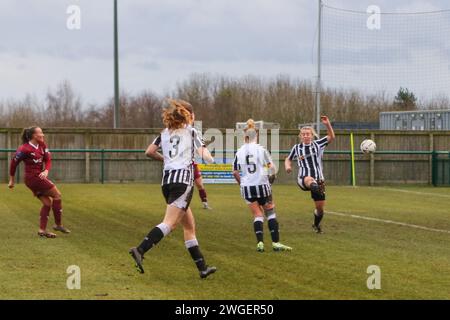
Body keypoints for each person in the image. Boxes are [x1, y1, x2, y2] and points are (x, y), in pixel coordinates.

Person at [129, 99, 217, 279]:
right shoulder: (191, 132)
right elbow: (206, 157)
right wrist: (210, 158)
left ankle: (202, 267)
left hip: (167, 183)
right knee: (170, 223)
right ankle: (140, 250)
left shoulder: (164, 133)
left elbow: (149, 152)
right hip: (183, 182)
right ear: (189, 116)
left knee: (189, 226)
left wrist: (166, 160)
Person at [233, 119, 292, 252]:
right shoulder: (261, 150)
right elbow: (272, 168)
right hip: (262, 185)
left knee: (258, 215)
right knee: (270, 213)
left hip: (247, 188)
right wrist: (270, 180)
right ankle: (276, 243)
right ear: (257, 135)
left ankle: (260, 243)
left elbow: (235, 172)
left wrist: (241, 184)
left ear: (245, 136)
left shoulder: (239, 152)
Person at [8, 126, 71, 238]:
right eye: (40, 133)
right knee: (57, 195)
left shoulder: (42, 145)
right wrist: (11, 180)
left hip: (37, 178)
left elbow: (48, 159)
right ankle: (58, 225)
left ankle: (42, 230)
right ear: (34, 135)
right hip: (33, 178)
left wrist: (46, 170)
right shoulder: (24, 149)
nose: (43, 135)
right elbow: (14, 163)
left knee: (47, 203)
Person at [285, 116, 335, 234]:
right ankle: (313, 185)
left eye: (308, 134)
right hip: (303, 179)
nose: (306, 136)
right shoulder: (296, 148)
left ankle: (316, 225)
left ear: (312, 135)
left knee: (320, 209)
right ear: (300, 136)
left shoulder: (318, 144)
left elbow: (331, 137)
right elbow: (288, 159)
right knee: (309, 180)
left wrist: (327, 124)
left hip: (319, 179)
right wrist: (288, 166)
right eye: (304, 134)